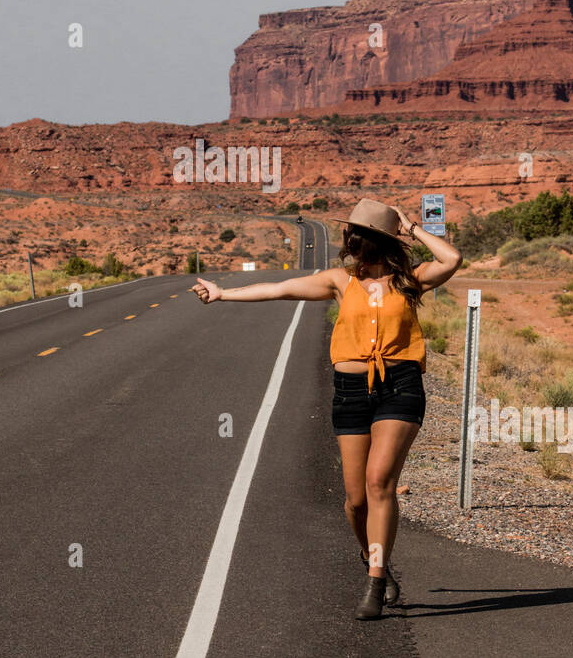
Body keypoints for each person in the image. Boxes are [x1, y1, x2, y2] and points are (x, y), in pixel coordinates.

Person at [193, 199, 462, 620]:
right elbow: (278, 290)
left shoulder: (411, 279)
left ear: (382, 242)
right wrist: (223, 293)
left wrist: (412, 228)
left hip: (400, 387)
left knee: (379, 483)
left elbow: (452, 258)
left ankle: (374, 585)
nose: (352, 240)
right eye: (351, 233)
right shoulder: (340, 281)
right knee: (355, 501)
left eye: (362, 234)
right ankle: (376, 559)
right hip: (351, 389)